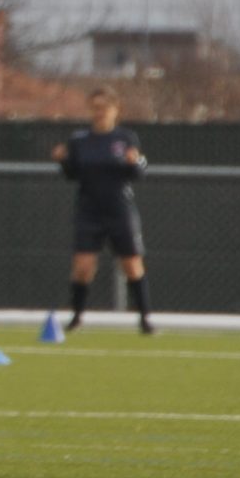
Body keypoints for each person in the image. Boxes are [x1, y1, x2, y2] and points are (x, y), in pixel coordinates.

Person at [55, 87, 153, 335]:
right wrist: (63, 161)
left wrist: (136, 163)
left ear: (115, 110)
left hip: (119, 209)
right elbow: (72, 174)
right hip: (89, 210)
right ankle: (76, 317)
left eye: (104, 108)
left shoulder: (126, 138)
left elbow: (138, 172)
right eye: (95, 107)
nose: (99, 113)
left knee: (131, 264)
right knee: (83, 265)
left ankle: (145, 320)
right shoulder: (79, 140)